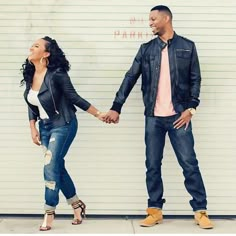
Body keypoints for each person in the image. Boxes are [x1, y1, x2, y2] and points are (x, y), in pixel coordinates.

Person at [104, 5, 213, 229]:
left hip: (178, 117)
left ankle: (200, 211)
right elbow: (130, 77)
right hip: (153, 118)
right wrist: (117, 106)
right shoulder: (146, 49)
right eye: (149, 19)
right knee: (152, 165)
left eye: (154, 19)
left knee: (189, 164)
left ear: (166, 18)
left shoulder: (187, 47)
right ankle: (154, 210)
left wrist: (191, 108)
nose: (150, 22)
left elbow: (196, 80)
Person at [20, 36, 105, 231]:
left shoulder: (57, 74)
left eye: (36, 46)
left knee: (50, 167)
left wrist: (99, 114)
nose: (31, 48)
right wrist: (32, 127)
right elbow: (31, 103)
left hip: (63, 124)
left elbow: (74, 97)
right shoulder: (31, 73)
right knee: (57, 166)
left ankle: (49, 211)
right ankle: (77, 205)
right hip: (45, 127)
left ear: (46, 54)